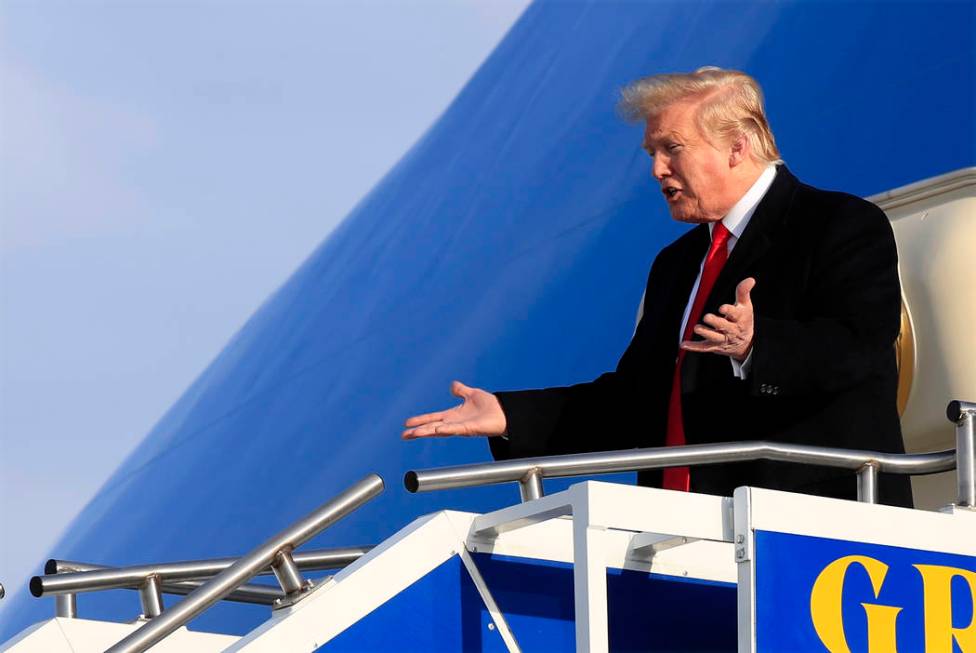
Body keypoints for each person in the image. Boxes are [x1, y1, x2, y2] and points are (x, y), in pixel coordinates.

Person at [403, 67, 912, 508]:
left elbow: (860, 349)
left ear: (738, 145)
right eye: (651, 152)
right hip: (683, 541)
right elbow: (639, 401)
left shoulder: (838, 223)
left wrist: (760, 346)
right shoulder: (678, 263)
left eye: (672, 148)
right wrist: (510, 414)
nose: (656, 170)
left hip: (814, 537)